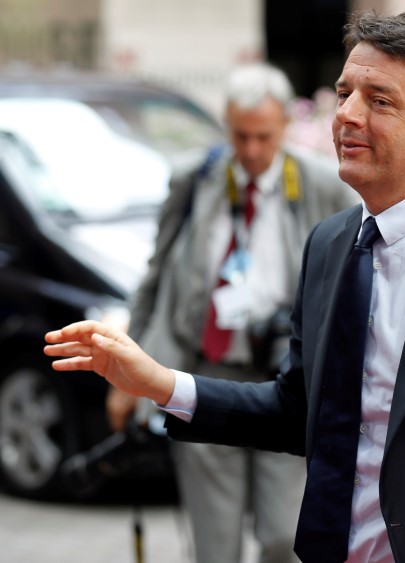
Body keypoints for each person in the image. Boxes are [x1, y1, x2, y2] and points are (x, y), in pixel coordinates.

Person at [45, 11, 405, 563]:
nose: (346, 115)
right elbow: (304, 409)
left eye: (379, 100)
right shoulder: (332, 244)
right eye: (344, 93)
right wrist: (159, 383)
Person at [104, 62, 358, 563]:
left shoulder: (321, 185)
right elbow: (154, 278)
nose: (251, 151)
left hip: (283, 381)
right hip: (201, 369)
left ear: (285, 126)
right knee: (214, 541)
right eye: (240, 136)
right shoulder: (195, 181)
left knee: (282, 535)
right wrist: (128, 374)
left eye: (263, 137)